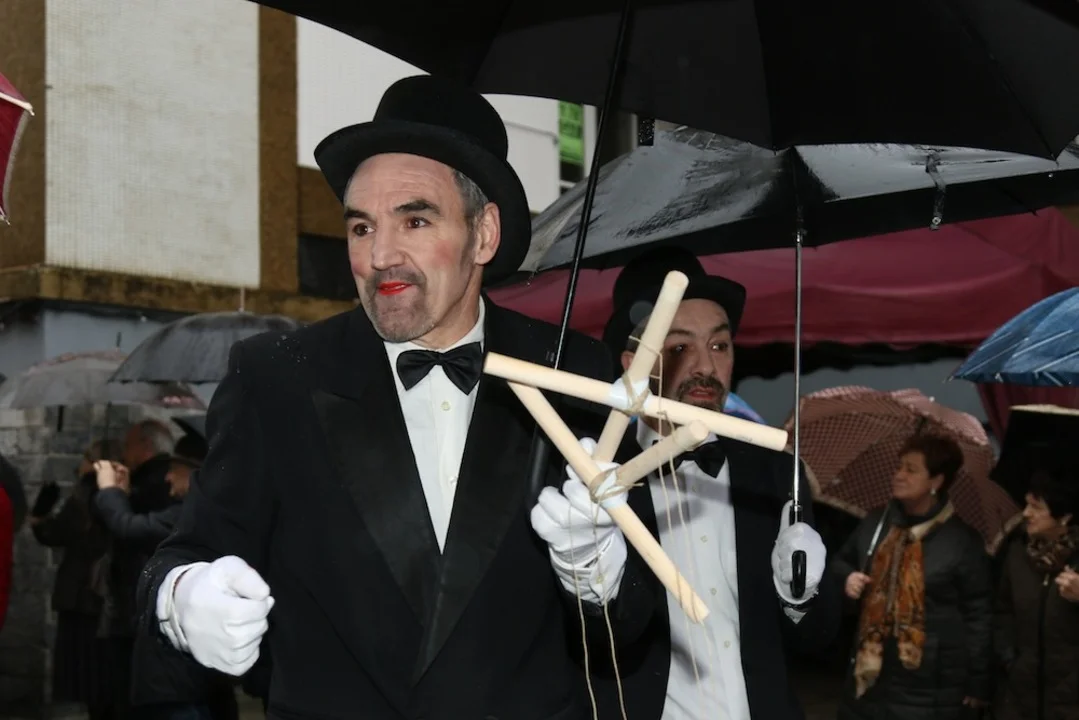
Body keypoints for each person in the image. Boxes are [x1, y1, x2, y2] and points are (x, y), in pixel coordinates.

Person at [130, 75, 658, 719]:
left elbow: (637, 621)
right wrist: (182, 598)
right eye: (361, 227)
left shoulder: (572, 371)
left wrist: (598, 571)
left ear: (484, 234)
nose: (380, 255)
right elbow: (183, 554)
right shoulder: (275, 378)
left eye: (415, 219)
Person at [570, 267, 839, 720]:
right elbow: (584, 637)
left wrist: (800, 596)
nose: (705, 368)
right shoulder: (593, 476)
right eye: (680, 347)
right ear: (634, 365)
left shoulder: (774, 470)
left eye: (719, 346)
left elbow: (817, 640)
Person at [832, 433, 992, 720]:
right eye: (899, 466)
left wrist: (978, 682)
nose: (899, 475)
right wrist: (848, 579)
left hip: (929, 685)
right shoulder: (877, 523)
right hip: (868, 679)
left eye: (911, 469)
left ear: (936, 481)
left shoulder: (961, 541)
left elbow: (979, 615)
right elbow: (840, 563)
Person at [29, 440, 122, 720]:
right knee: (104, 675)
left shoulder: (85, 499)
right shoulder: (119, 496)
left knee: (90, 676)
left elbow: (54, 534)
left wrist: (40, 516)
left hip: (82, 596)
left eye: (85, 459)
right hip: (103, 596)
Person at [994, 467, 1079, 720]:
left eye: (1036, 507)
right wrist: (1010, 660)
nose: (1026, 513)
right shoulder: (1017, 554)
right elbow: (1002, 612)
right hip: (1020, 696)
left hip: (1069, 700)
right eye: (1027, 504)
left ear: (1064, 517)